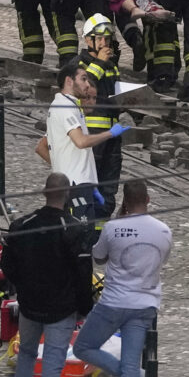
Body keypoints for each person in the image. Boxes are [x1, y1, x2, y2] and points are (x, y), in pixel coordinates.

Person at [73, 179, 172, 377]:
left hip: (113, 303)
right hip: (144, 305)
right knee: (130, 365)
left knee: (83, 347)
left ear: (125, 201)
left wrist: (118, 222)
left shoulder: (112, 227)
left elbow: (98, 257)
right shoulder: (163, 230)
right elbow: (161, 260)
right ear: (148, 199)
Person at [1, 173, 92, 377]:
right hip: (61, 309)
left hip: (30, 305)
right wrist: (84, 307)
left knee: (26, 356)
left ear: (44, 192)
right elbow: (83, 274)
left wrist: (24, 287)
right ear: (67, 195)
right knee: (53, 362)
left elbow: (7, 265)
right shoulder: (74, 229)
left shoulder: (22, 225)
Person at [47, 61, 129, 247]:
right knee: (82, 240)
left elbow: (48, 147)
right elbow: (81, 141)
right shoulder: (65, 107)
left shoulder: (69, 106)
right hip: (76, 186)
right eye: (83, 79)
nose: (86, 84)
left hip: (78, 183)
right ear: (69, 81)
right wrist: (110, 133)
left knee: (77, 238)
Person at [77, 14, 124, 227]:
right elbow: (83, 88)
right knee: (88, 184)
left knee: (109, 186)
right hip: (91, 137)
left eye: (108, 38)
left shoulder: (111, 65)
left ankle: (101, 231)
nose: (106, 43)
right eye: (100, 38)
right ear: (88, 40)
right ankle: (85, 228)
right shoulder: (79, 64)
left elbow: (115, 94)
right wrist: (99, 63)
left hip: (112, 135)